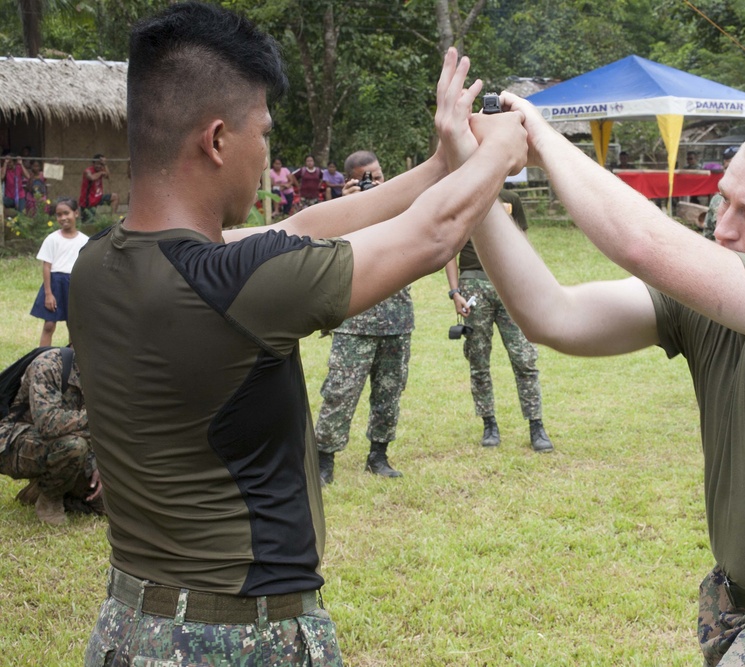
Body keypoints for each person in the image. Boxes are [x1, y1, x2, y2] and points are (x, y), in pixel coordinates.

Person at [67, 3, 526, 665]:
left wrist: (441, 165)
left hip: (126, 629)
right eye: (263, 132)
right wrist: (505, 149)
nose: (266, 153)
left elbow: (304, 231)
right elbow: (432, 235)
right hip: (237, 638)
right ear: (218, 139)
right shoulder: (231, 285)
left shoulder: (95, 266)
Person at [465, 94, 745, 666]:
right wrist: (472, 176)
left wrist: (540, 135)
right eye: (724, 201)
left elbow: (641, 244)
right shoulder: (714, 297)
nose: (724, 230)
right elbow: (552, 315)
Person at [314, 151, 411, 482]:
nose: (375, 182)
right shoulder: (339, 213)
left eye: (378, 175)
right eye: (366, 177)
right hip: (353, 318)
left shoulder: (401, 209)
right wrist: (347, 209)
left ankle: (378, 456)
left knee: (389, 391)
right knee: (340, 391)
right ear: (349, 181)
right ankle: (323, 459)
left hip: (396, 317)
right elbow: (324, 253)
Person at [444, 188, 553, 452]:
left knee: (524, 357)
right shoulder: (463, 197)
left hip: (510, 286)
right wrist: (455, 291)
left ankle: (536, 425)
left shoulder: (510, 199)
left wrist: (530, 283)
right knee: (478, 359)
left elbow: (523, 242)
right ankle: (489, 423)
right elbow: (449, 248)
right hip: (473, 287)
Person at [0, 347, 101, 526]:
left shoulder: (102, 375)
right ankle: (50, 500)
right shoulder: (49, 364)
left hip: (63, 443)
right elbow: (48, 423)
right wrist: (97, 416)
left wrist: (99, 466)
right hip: (16, 443)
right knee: (74, 446)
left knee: (106, 504)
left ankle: (38, 490)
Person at [29, 198, 89, 347]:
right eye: (58, 215)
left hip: (74, 286)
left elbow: (86, 268)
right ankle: (43, 359)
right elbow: (47, 266)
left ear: (76, 213)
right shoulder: (52, 239)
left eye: (66, 213)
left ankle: (74, 361)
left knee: (74, 326)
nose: (63, 218)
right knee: (49, 325)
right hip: (55, 284)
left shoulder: (85, 241)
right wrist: (48, 293)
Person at [702, 145, 740, 240]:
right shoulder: (716, 200)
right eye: (726, 167)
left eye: (733, 167)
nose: (729, 172)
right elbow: (708, 234)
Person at [79, 154, 120, 223]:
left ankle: (113, 218)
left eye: (101, 164)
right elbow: (92, 177)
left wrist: (105, 165)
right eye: (97, 164)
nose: (99, 166)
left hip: (98, 197)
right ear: (93, 163)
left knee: (115, 197)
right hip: (88, 202)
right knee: (88, 224)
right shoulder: (88, 171)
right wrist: (101, 172)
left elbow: (108, 176)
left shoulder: (101, 169)